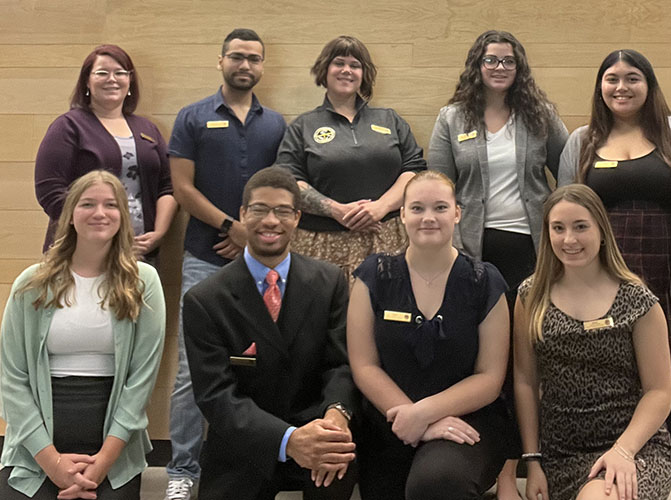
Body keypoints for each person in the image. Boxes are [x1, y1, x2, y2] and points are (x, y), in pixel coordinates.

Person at [558, 49, 671, 500]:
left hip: (666, 279)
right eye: (611, 78)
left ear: (649, 85)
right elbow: (563, 209)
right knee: (619, 386)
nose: (621, 87)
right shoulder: (582, 140)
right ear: (600, 87)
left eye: (632, 78)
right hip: (601, 281)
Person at [428, 30, 568, 498]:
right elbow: (438, 186)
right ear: (477, 65)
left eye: (508, 60)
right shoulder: (452, 118)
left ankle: (526, 466)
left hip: (530, 252)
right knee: (485, 359)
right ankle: (500, 473)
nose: (500, 67)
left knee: (523, 360)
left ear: (519, 66)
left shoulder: (540, 115)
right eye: (491, 60)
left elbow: (567, 174)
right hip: (472, 255)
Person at [181, 166, 357, 500]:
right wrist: (289, 440)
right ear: (243, 214)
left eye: (282, 211)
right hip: (242, 442)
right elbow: (216, 396)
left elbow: (341, 364)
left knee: (338, 467)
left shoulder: (330, 282)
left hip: (318, 432)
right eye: (260, 209)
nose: (271, 221)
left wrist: (336, 417)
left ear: (297, 218)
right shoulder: (205, 299)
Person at [164, 28, 287, 499]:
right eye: (237, 56)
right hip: (203, 259)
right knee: (190, 369)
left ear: (262, 66)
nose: (245, 65)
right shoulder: (192, 117)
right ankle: (182, 472)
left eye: (254, 58)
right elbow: (182, 188)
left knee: (262, 363)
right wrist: (231, 227)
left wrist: (251, 237)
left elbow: (280, 191)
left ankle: (256, 462)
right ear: (220, 62)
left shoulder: (276, 124)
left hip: (263, 263)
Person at [347, 170, 514, 500]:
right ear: (402, 214)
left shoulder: (486, 282)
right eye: (417, 208)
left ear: (457, 213)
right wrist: (413, 422)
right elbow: (365, 365)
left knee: (437, 482)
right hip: (388, 422)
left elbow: (490, 377)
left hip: (465, 424)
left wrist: (422, 415)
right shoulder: (373, 276)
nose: (428, 218)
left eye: (440, 207)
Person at [0, 170, 166, 499]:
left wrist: (103, 462)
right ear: (70, 215)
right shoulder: (31, 283)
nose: (99, 213)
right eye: (87, 204)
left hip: (114, 448)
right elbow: (11, 379)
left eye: (110, 205)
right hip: (37, 448)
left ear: (123, 215)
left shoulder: (144, 282)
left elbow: (140, 381)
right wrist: (52, 463)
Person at [514, 184, 671, 500]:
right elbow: (525, 381)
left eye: (580, 227)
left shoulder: (638, 300)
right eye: (558, 228)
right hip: (563, 454)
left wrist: (624, 451)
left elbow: (660, 391)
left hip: (635, 446)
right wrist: (533, 461)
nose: (568, 239)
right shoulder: (530, 295)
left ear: (602, 231)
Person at [276, 35, 426, 286]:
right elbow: (288, 181)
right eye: (339, 63)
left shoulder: (390, 120)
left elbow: (415, 170)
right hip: (321, 245)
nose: (347, 70)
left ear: (364, 74)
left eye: (355, 65)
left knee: (386, 317)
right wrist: (337, 210)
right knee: (323, 319)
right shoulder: (303, 126)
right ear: (325, 69)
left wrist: (381, 207)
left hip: (387, 241)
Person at [35, 44, 177, 264]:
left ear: (130, 81)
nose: (112, 79)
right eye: (102, 73)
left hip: (140, 252)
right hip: (80, 252)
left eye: (120, 73)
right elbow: (49, 191)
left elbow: (167, 186)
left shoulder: (147, 129)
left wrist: (159, 233)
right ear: (87, 82)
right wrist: (96, 232)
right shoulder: (68, 126)